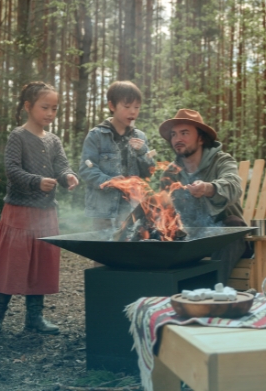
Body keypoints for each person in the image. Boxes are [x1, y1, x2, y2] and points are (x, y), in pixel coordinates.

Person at [0, 82, 79, 334]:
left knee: (42, 262)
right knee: (12, 261)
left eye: (54, 109)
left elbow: (62, 165)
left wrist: (68, 176)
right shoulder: (18, 136)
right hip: (19, 211)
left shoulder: (54, 140)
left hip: (46, 212)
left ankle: (34, 318)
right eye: (44, 107)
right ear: (28, 106)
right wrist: (36, 181)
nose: (50, 113)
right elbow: (12, 170)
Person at [158, 109, 246, 282]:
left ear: (201, 138)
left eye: (185, 133)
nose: (178, 139)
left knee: (234, 224)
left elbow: (234, 187)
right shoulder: (170, 173)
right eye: (174, 134)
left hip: (222, 240)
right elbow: (165, 212)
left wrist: (209, 188)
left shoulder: (222, 161)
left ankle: (210, 290)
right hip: (189, 241)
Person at [78, 81, 155, 233]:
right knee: (104, 252)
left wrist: (142, 153)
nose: (133, 112)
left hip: (131, 208)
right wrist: (109, 181)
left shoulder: (140, 137)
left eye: (136, 107)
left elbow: (148, 173)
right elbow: (86, 170)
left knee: (128, 250)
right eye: (127, 107)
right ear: (112, 106)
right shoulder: (97, 136)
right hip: (103, 211)